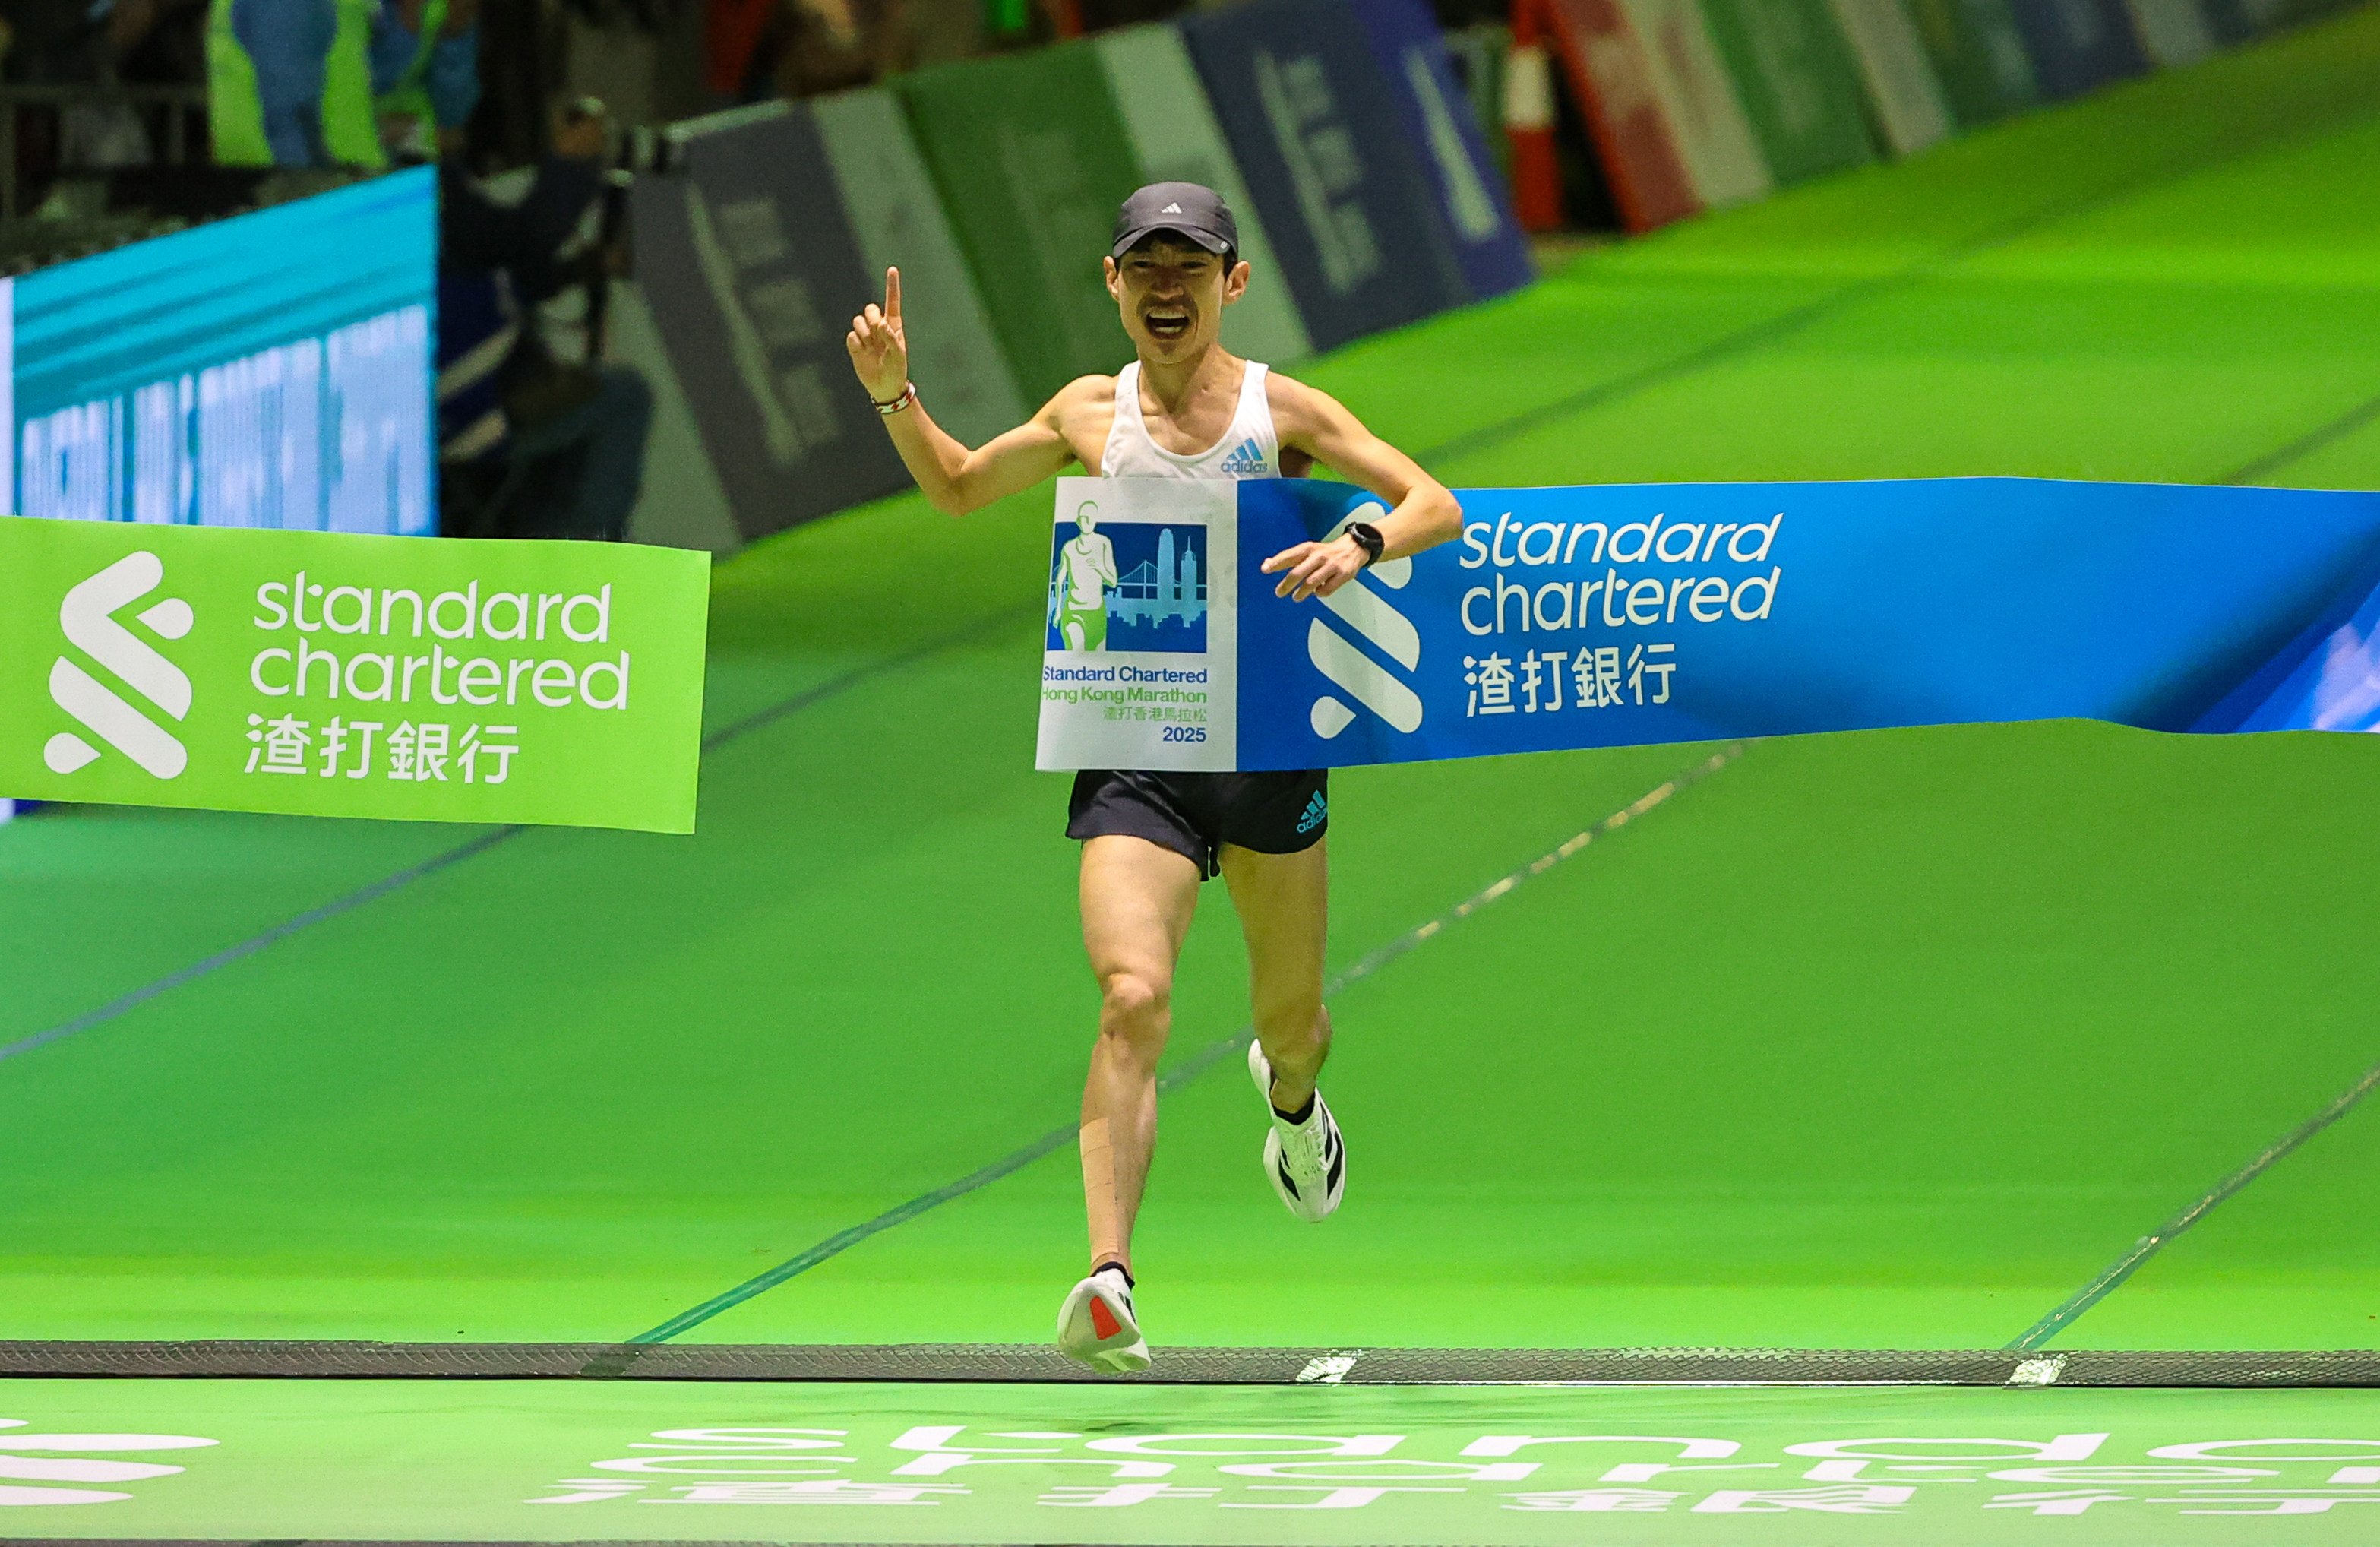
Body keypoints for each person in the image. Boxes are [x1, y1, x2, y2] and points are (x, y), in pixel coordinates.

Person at [844, 182, 1462, 1372]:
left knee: (1292, 1026)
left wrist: (1357, 541)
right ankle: (1109, 1277)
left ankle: (1290, 1107)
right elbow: (961, 485)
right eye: (1146, 267)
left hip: (1271, 746)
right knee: (1131, 995)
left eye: (1193, 267)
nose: (1167, 287)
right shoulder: (1088, 411)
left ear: (1232, 285)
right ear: (1113, 284)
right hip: (1137, 746)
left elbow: (1428, 498)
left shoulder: (1283, 408)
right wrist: (894, 396)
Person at [1051, 500, 1118, 652]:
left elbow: (1113, 582)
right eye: (1083, 518)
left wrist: (1099, 568)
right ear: (1078, 521)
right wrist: (1058, 610)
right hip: (1073, 610)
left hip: (1096, 612)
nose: (1087, 522)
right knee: (1076, 656)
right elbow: (1060, 579)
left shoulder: (1103, 543)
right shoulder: (1068, 547)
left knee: (1098, 664)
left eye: (1090, 518)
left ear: (1096, 520)